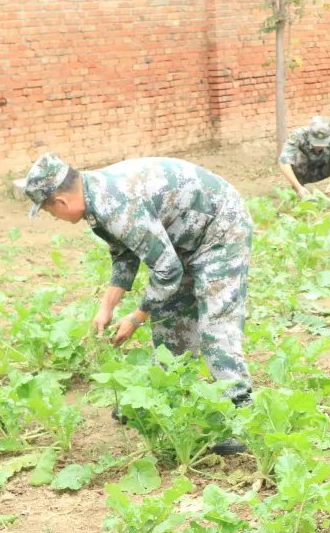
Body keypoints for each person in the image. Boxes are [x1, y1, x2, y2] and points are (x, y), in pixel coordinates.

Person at [23, 153, 253, 454]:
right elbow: (125, 252)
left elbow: (167, 269)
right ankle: (163, 398)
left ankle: (241, 415)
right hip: (183, 237)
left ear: (61, 202)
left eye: (51, 213)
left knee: (215, 325)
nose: (56, 219)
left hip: (221, 230)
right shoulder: (94, 197)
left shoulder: (115, 203)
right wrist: (106, 307)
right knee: (169, 316)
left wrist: (136, 316)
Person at [278, 115, 330, 198]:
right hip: (305, 172)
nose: (319, 146)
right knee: (293, 156)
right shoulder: (297, 135)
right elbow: (283, 161)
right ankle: (300, 191)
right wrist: (298, 187)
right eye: (316, 142)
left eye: (322, 143)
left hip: (324, 168)